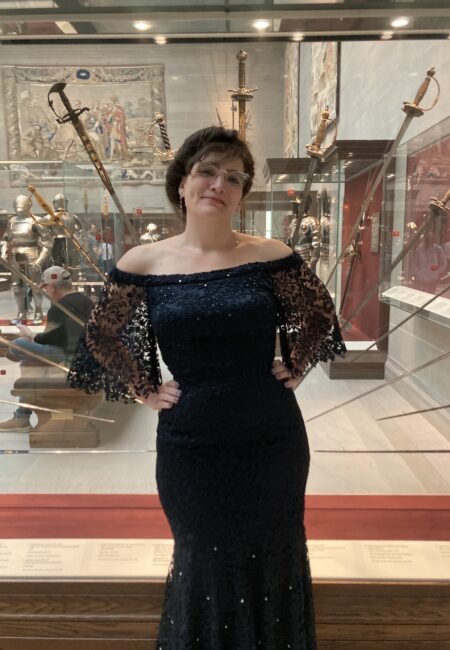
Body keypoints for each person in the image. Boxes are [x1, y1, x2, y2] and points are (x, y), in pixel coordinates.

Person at [68, 126, 346, 649]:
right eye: (208, 171)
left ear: (243, 194)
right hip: (191, 444)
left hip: (271, 438)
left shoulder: (270, 255)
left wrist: (298, 363)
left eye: (235, 177)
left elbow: (319, 316)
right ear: (183, 183)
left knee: (275, 551)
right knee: (201, 556)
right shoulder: (143, 263)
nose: (220, 183)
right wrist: (145, 390)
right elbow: (100, 337)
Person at [0, 266, 93, 433]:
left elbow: (48, 338)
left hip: (68, 358)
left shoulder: (59, 307)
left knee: (21, 344)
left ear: (52, 287)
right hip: (85, 356)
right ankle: (21, 417)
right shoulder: (86, 300)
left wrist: (31, 336)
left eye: (45, 288)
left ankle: (21, 418)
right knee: (29, 361)